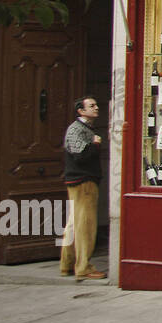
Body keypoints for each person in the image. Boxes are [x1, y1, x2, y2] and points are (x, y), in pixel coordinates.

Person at [60, 96, 105, 280]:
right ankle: (84, 266)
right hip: (83, 181)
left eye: (96, 105)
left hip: (78, 180)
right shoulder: (77, 129)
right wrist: (95, 143)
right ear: (81, 110)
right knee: (85, 224)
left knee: (74, 223)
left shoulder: (82, 128)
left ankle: (67, 264)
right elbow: (80, 154)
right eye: (91, 106)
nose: (96, 108)